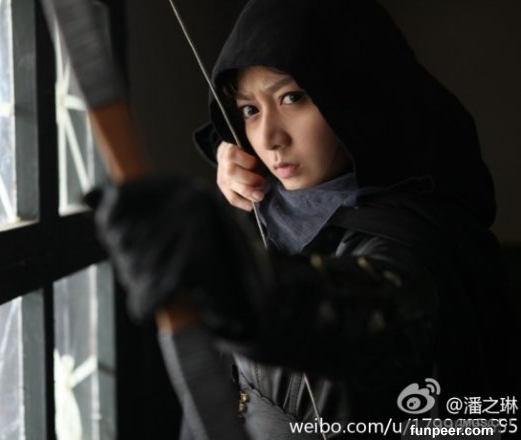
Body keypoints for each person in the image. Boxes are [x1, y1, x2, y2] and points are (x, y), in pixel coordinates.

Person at [89, 0, 518, 438]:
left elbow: (375, 312)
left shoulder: (421, 238)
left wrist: (232, 280)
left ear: (354, 96)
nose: (269, 139)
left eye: (292, 97)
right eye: (250, 110)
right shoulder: (264, 202)